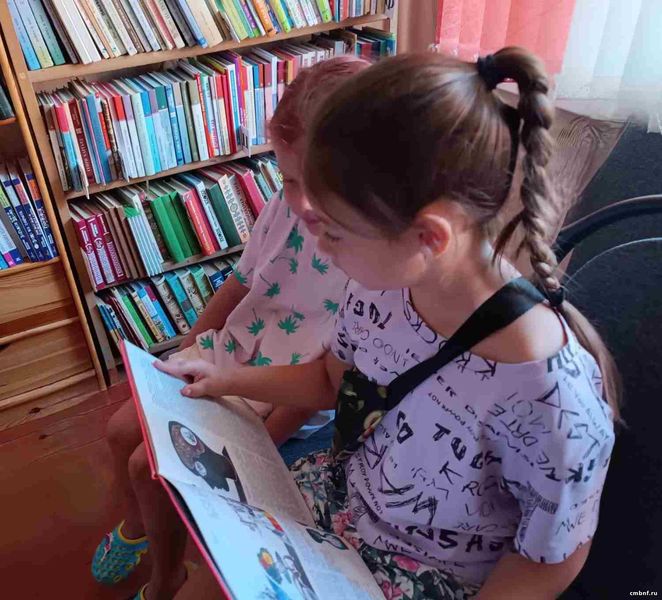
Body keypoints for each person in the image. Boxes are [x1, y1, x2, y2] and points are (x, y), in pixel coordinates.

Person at [160, 48, 619, 599]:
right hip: (343, 501)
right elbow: (333, 380)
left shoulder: (552, 398)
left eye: (333, 233)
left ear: (429, 236)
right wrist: (227, 379)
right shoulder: (382, 289)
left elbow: (549, 559)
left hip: (428, 574)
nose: (321, 250)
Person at [91, 56, 371, 600]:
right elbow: (239, 284)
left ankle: (166, 576)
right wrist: (178, 355)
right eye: (288, 179)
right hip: (234, 353)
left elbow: (321, 385)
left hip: (283, 394)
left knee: (149, 465)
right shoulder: (287, 208)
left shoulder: (372, 256)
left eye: (312, 184)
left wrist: (261, 447)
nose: (298, 200)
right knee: (121, 431)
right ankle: (139, 526)